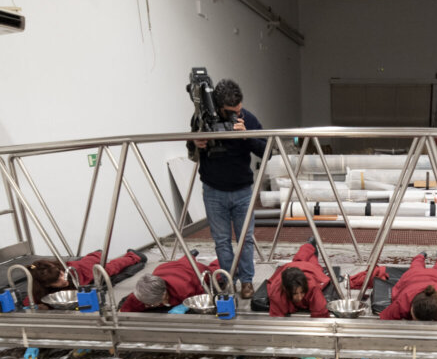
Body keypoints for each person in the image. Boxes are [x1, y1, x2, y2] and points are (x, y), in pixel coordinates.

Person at [189, 78, 265, 300]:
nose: (236, 115)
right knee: (221, 241)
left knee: (246, 239)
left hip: (243, 190)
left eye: (238, 110)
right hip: (213, 191)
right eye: (231, 112)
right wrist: (196, 143)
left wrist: (246, 136)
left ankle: (247, 282)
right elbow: (190, 149)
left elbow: (267, 151)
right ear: (219, 108)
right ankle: (228, 279)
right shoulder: (202, 119)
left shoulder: (247, 118)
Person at [26, 249, 145, 307]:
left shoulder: (73, 273)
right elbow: (29, 301)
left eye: (61, 274)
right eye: (57, 281)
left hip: (84, 267)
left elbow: (112, 267)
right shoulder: (38, 287)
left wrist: (133, 258)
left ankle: (133, 256)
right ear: (47, 285)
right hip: (77, 267)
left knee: (108, 269)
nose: (63, 280)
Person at [118, 250, 216, 313]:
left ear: (164, 295)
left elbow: (201, 298)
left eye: (152, 304)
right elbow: (123, 313)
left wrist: (183, 306)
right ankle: (189, 255)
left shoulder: (185, 289)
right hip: (165, 269)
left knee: (218, 273)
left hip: (190, 270)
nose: (147, 306)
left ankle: (191, 256)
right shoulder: (141, 295)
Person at [380, 250, 437, 321]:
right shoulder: (403, 302)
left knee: (421, 266)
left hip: (434, 277)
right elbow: (385, 317)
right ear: (411, 307)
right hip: (416, 276)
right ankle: (427, 256)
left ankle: (424, 256)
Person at [266, 242, 330, 318]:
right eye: (295, 294)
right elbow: (276, 319)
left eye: (302, 292)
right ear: (286, 290)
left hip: (309, 269)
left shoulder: (312, 287)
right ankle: (309, 245)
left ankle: (310, 244)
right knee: (299, 260)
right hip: (289, 267)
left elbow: (321, 313)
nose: (300, 297)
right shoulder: (278, 294)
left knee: (312, 261)